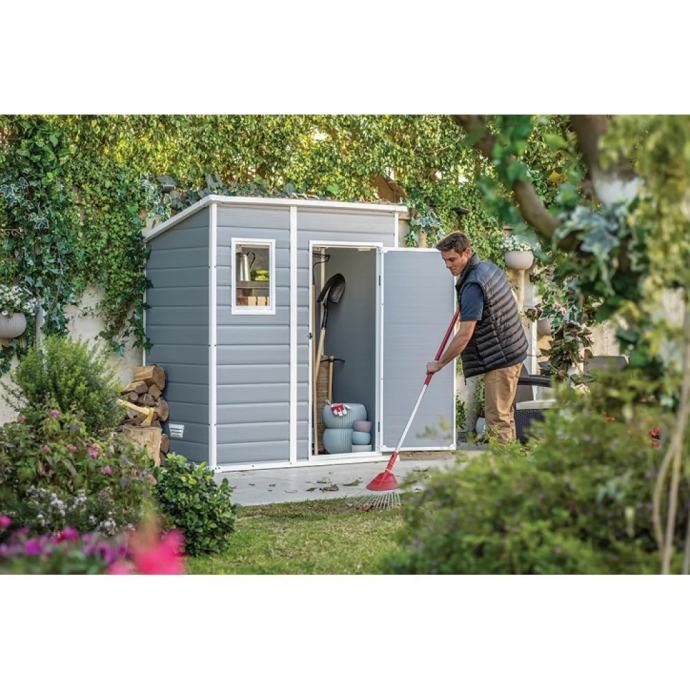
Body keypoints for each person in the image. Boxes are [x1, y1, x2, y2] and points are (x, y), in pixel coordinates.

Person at [426, 232, 528, 443]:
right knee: (505, 414)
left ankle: (503, 463)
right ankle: (512, 460)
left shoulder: (473, 285)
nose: (447, 265)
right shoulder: (487, 268)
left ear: (467, 253)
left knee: (497, 419)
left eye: (452, 259)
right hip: (512, 350)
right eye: (444, 260)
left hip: (501, 359)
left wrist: (440, 363)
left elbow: (464, 335)